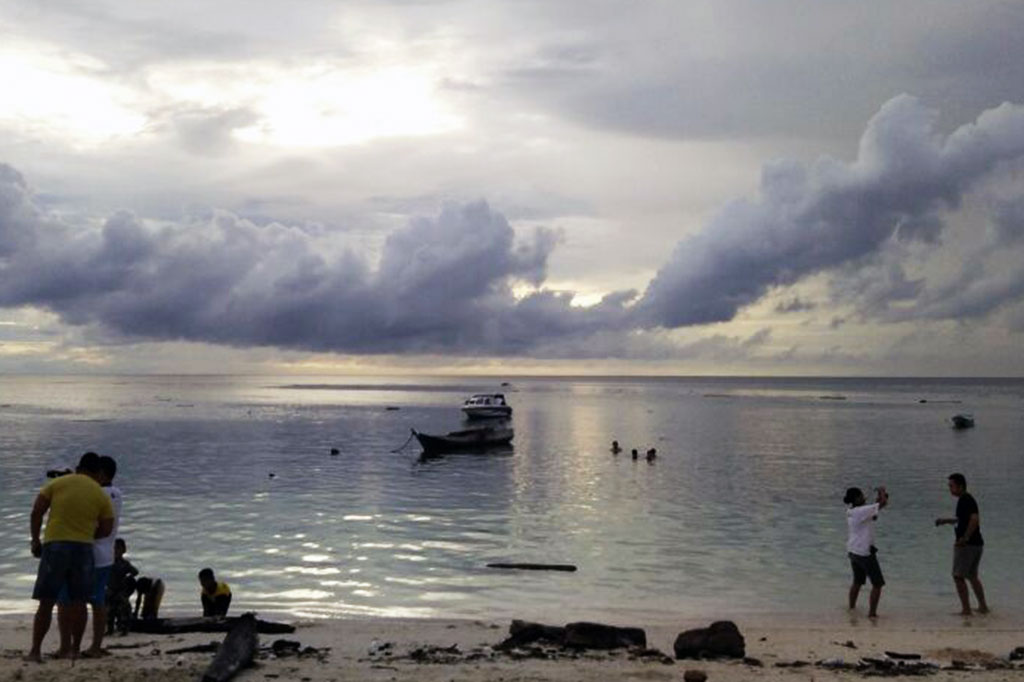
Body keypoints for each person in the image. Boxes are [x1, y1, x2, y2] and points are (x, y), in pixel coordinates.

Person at [26, 452, 114, 663]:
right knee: (79, 602)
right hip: (83, 548)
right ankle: (75, 650)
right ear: (96, 472)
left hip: (55, 545)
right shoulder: (99, 492)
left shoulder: (58, 483)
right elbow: (107, 528)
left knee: (46, 602)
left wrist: (35, 540)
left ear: (78, 466)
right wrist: (88, 535)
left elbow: (37, 510)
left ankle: (35, 651)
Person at [935, 473, 989, 616]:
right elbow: (962, 520)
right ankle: (983, 607)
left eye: (951, 486)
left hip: (967, 545)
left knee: (958, 577)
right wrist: (945, 521)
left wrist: (964, 538)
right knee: (972, 576)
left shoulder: (966, 499)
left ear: (960, 486)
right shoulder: (966, 500)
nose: (950, 489)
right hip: (977, 544)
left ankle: (966, 610)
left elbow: (974, 519)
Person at [844, 485, 889, 618]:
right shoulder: (862, 511)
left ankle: (851, 608)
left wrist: (879, 501)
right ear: (857, 498)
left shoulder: (851, 511)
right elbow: (883, 503)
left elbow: (875, 513)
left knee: (857, 581)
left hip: (853, 551)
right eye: (862, 496)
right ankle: (872, 614)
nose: (864, 497)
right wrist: (882, 491)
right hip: (864, 552)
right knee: (878, 584)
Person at [106, 538, 139, 636]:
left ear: (123, 550)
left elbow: (135, 572)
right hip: (110, 590)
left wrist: (128, 578)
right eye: (114, 548)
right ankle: (110, 629)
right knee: (109, 610)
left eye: (118, 549)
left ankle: (124, 629)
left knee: (124, 609)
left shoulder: (124, 563)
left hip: (121, 590)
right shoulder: (108, 562)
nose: (116, 551)